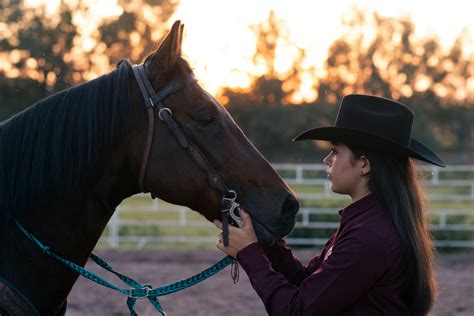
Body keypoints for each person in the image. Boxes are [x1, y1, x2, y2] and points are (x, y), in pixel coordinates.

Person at [214, 94, 445, 315]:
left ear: (363, 164)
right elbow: (307, 284)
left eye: (335, 152)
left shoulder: (369, 237)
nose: (327, 160)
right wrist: (267, 240)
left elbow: (297, 310)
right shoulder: (366, 223)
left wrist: (249, 253)